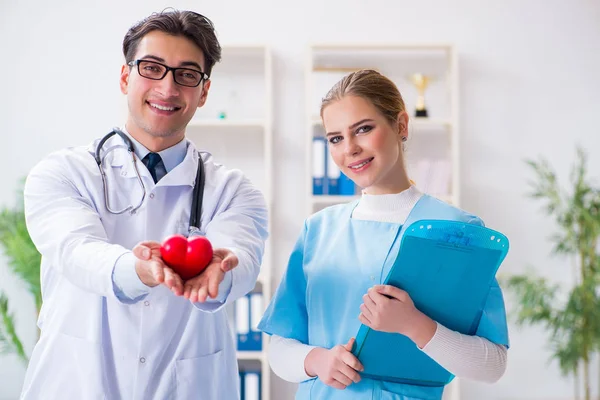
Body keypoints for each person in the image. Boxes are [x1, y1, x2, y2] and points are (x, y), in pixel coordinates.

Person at [20, 9, 268, 400]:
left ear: (203, 92)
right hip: (76, 385)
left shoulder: (234, 191)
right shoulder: (62, 173)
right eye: (152, 68)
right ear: (125, 77)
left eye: (187, 74)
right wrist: (139, 270)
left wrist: (221, 273)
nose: (168, 88)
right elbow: (76, 250)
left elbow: (242, 259)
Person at [258, 69, 508, 400]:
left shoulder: (458, 233)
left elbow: (493, 365)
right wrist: (318, 361)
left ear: (401, 125)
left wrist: (413, 325)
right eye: (335, 138)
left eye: (363, 129)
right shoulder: (318, 230)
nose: (350, 149)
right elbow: (279, 348)